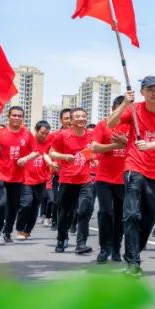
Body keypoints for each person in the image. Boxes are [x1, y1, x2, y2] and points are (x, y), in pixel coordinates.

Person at [106, 76, 155, 277]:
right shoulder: (134, 109)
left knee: (149, 217)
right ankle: (133, 261)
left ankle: (134, 250)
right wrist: (124, 104)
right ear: (142, 92)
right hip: (134, 166)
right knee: (131, 214)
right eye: (150, 89)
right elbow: (111, 123)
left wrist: (149, 145)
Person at [0, 105, 38, 245]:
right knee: (1, 204)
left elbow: (36, 151)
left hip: (17, 177)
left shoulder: (27, 134)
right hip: (0, 175)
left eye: (19, 116)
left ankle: (7, 232)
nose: (17, 118)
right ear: (8, 116)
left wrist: (26, 158)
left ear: (23, 118)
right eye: (14, 115)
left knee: (13, 207)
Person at [48, 108, 94, 254]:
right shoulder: (63, 135)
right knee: (64, 213)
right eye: (78, 117)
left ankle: (81, 243)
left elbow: (93, 151)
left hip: (85, 180)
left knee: (85, 210)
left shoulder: (91, 135)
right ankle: (61, 239)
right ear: (71, 120)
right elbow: (52, 153)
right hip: (67, 180)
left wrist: (94, 159)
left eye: (84, 116)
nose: (81, 119)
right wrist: (64, 157)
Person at [91, 96, 128, 263]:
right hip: (104, 178)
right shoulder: (103, 124)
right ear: (113, 109)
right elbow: (94, 147)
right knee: (105, 212)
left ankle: (116, 248)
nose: (123, 113)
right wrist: (116, 145)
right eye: (120, 109)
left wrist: (125, 142)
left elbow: (140, 147)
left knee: (121, 215)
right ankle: (104, 248)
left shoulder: (133, 125)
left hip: (125, 178)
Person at [15, 120, 53, 240]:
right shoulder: (28, 141)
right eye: (42, 133)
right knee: (26, 203)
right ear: (36, 130)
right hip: (26, 179)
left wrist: (51, 163)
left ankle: (27, 230)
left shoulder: (49, 143)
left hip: (41, 180)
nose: (44, 136)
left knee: (35, 207)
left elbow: (47, 155)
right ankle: (20, 229)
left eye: (46, 133)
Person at [48, 107, 73, 230]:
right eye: (66, 118)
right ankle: (55, 220)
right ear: (61, 120)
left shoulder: (80, 134)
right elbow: (47, 152)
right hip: (58, 173)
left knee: (72, 202)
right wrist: (51, 163)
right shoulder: (54, 135)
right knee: (57, 200)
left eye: (71, 118)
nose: (69, 121)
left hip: (74, 174)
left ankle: (69, 223)